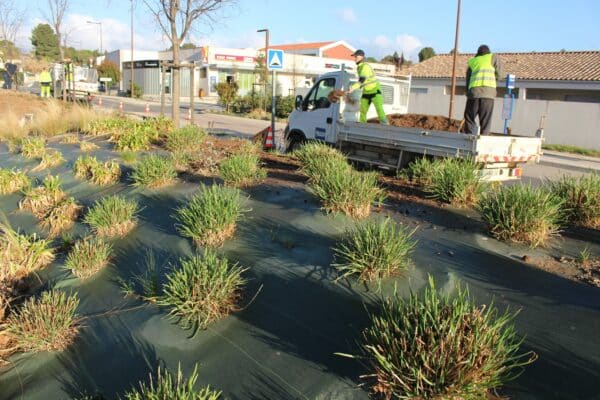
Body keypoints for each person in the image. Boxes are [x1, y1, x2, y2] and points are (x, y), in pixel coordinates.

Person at [464, 44, 504, 134]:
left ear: (478, 53)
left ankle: (470, 136)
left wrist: (468, 92)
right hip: (488, 94)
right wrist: (494, 79)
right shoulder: (494, 57)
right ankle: (484, 138)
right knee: (485, 120)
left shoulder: (472, 61)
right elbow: (501, 75)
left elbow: (468, 79)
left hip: (473, 94)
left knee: (469, 117)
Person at [348, 49, 388, 124]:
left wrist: (352, 88)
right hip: (366, 91)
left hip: (375, 90)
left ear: (361, 57)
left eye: (356, 56)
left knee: (379, 109)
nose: (354, 58)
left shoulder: (365, 67)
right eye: (354, 56)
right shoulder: (359, 67)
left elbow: (362, 80)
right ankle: (362, 126)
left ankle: (386, 126)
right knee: (363, 110)